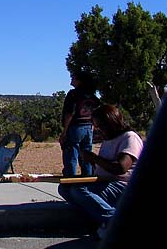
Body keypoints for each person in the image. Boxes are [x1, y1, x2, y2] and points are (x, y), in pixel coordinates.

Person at [58, 104, 144, 239]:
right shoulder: (108, 140)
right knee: (64, 188)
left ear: (111, 123)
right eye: (97, 127)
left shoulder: (129, 138)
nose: (99, 130)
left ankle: (114, 220)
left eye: (102, 126)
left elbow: (121, 168)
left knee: (79, 190)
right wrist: (91, 161)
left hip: (122, 186)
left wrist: (94, 158)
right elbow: (103, 166)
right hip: (106, 182)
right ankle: (95, 221)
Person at [59, 71, 100, 176]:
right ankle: (87, 179)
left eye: (73, 78)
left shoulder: (73, 94)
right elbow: (97, 111)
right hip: (88, 128)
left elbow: (70, 113)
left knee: (71, 154)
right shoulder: (91, 96)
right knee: (86, 155)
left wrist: (65, 131)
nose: (71, 80)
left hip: (75, 127)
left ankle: (70, 179)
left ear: (79, 81)